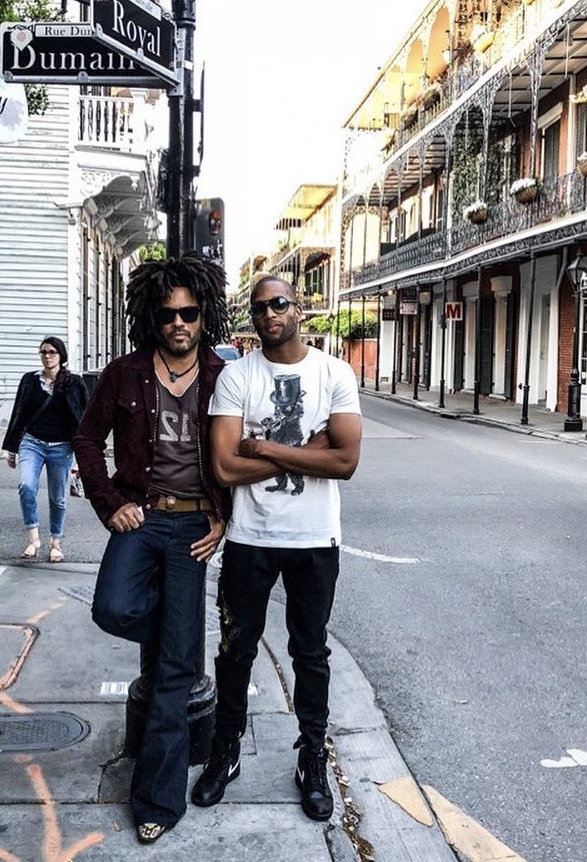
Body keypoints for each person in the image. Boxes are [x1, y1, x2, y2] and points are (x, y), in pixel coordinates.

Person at [192, 275, 362, 822]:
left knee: (310, 654)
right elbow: (223, 466)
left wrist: (263, 446)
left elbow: (345, 462)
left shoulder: (335, 372)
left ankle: (312, 754)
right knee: (235, 650)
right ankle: (227, 750)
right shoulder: (237, 376)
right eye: (260, 307)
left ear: (301, 308)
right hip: (250, 538)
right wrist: (302, 451)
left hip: (315, 539)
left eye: (280, 303)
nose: (269, 314)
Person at [74, 256, 231, 845]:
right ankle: (176, 636)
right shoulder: (124, 373)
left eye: (189, 312)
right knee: (112, 608)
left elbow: (242, 452)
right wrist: (109, 499)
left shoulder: (224, 375)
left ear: (204, 314)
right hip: (140, 519)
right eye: (168, 314)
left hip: (194, 528)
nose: (179, 323)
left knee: (172, 676)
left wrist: (226, 516)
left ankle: (156, 801)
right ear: (153, 317)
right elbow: (87, 439)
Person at [2, 336, 88, 563]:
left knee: (57, 498)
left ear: (61, 356)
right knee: (26, 486)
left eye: (52, 352)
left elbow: (84, 419)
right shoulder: (30, 380)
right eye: (43, 352)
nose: (47, 356)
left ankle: (55, 543)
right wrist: (10, 447)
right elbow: (18, 413)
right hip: (32, 443)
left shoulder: (75, 383)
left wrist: (82, 457)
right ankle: (33, 540)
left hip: (62, 447)